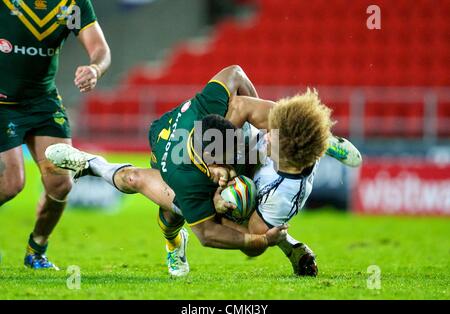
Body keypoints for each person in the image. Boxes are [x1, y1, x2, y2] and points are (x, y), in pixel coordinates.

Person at [45, 66, 361, 277]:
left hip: (196, 125)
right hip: (165, 148)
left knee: (247, 117)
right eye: (221, 170)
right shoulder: (185, 178)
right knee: (152, 195)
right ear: (206, 164)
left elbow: (235, 72)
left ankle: (315, 134)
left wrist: (264, 125)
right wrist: (257, 242)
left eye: (230, 164)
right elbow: (208, 235)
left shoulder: (217, 112)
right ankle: (91, 164)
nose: (227, 175)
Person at [0, 0, 111, 269]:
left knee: (61, 185)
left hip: (43, 103)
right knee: (11, 183)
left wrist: (94, 68)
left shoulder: (72, 4)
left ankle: (36, 250)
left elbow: (100, 48)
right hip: (2, 104)